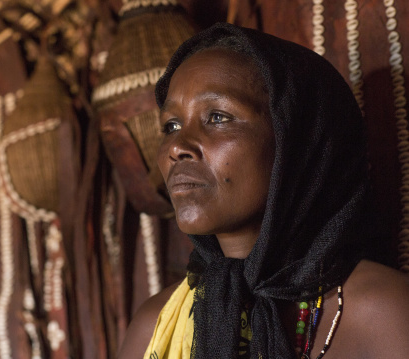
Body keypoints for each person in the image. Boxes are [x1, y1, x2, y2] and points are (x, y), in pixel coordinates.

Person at [118, 23, 409, 359]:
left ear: (298, 142)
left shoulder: (385, 316)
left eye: (217, 116)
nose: (178, 147)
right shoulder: (155, 326)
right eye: (171, 126)